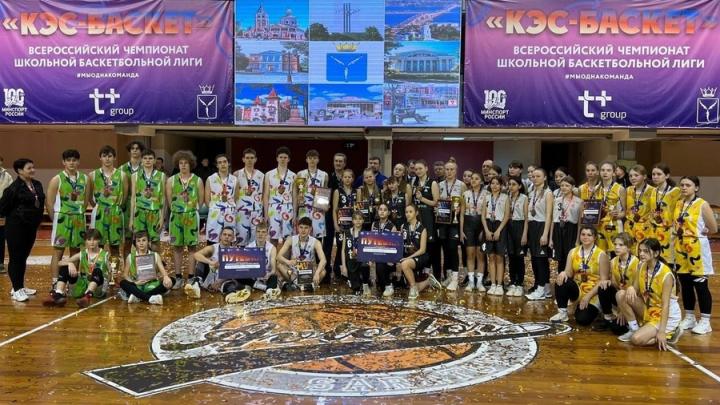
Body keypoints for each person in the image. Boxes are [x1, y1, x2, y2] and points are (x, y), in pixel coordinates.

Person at [616, 238, 682, 349]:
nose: (641, 254)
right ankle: (634, 329)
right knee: (621, 294)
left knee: (636, 340)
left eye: (645, 251)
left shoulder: (666, 275)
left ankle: (670, 334)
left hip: (665, 315)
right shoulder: (641, 265)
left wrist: (661, 331)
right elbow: (635, 288)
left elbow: (666, 305)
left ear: (656, 253)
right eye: (640, 250)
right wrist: (631, 288)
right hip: (649, 309)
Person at [675, 176, 717, 335]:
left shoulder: (702, 204)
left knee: (700, 285)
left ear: (696, 188)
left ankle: (705, 321)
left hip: (697, 248)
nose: (684, 187)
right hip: (680, 247)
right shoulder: (679, 203)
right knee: (685, 284)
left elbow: (713, 228)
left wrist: (702, 230)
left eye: (688, 185)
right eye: (682, 185)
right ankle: (690, 316)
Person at [0, 158, 45, 301]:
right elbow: (3, 208)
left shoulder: (37, 184)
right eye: (29, 168)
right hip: (16, 228)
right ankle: (16, 289)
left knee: (23, 257)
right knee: (16, 258)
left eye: (33, 167)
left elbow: (40, 203)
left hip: (31, 228)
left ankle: (19, 286)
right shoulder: (13, 189)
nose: (33, 170)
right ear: (19, 171)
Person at [550, 226, 611, 325]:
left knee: (582, 320)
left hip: (593, 291)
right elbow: (569, 272)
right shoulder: (573, 252)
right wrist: (564, 272)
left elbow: (603, 281)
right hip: (578, 288)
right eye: (583, 234)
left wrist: (588, 296)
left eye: (589, 235)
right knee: (561, 278)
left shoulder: (601, 254)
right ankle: (562, 313)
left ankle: (598, 310)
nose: (585, 237)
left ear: (594, 237)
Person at [46, 149, 89, 287]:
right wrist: (56, 219)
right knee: (58, 251)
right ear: (63, 162)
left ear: (78, 162)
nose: (71, 163)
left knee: (76, 251)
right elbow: (49, 202)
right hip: (62, 218)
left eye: (74, 160)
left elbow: (86, 200)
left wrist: (79, 212)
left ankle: (72, 282)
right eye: (68, 160)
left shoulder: (85, 179)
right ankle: (55, 281)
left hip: (78, 219)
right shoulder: (57, 179)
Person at [166, 150, 204, 289]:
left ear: (190, 164)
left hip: (192, 216)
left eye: (186, 163)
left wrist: (189, 209)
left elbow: (201, 201)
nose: (183, 165)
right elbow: (169, 201)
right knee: (177, 247)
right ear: (177, 164)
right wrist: (179, 209)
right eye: (181, 163)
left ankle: (191, 276)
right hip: (176, 216)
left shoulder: (197, 180)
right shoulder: (171, 180)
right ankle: (178, 277)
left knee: (192, 247)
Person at [43, 229, 108, 308]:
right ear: (85, 241)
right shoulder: (82, 253)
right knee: (65, 268)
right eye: (89, 240)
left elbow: (112, 271)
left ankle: (88, 296)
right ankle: (58, 294)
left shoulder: (105, 255)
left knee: (97, 270)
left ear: (99, 240)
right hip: (82, 286)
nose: (92, 242)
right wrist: (70, 263)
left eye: (94, 239)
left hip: (98, 288)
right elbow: (59, 263)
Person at [87, 145, 128, 268]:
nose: (107, 159)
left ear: (114, 158)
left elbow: (125, 196)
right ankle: (99, 273)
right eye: (104, 156)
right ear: (100, 158)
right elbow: (89, 196)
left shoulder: (122, 175)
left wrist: (116, 207)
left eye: (110, 156)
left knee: (115, 247)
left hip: (115, 212)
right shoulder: (92, 175)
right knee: (97, 245)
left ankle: (114, 274)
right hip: (99, 212)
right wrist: (97, 206)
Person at [397, 204, 442, 300]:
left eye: (410, 212)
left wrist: (408, 258)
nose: (408, 214)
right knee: (409, 282)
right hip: (408, 257)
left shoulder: (422, 228)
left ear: (416, 213)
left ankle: (413, 288)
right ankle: (428, 281)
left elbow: (422, 250)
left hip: (420, 257)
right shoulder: (403, 226)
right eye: (406, 212)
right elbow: (400, 244)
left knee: (405, 264)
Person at [119, 231, 173, 305]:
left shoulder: (155, 255)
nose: (141, 243)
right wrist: (134, 282)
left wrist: (166, 277)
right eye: (138, 241)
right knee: (123, 283)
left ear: (148, 242)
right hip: (137, 284)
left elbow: (163, 272)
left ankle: (138, 296)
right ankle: (150, 298)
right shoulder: (130, 256)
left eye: (144, 240)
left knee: (172, 280)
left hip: (152, 284)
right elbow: (125, 275)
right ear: (135, 243)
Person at [525, 168, 554, 300]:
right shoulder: (532, 192)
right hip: (532, 226)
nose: (535, 178)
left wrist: (545, 234)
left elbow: (549, 215)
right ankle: (545, 288)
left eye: (538, 176)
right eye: (533, 176)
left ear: (545, 178)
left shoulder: (548, 193)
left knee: (541, 260)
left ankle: (541, 289)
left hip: (542, 226)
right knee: (535, 259)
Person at [130, 149, 166, 251]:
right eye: (145, 158)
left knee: (155, 241)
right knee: (140, 240)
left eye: (150, 158)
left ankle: (155, 261)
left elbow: (163, 197)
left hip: (154, 212)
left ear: (154, 160)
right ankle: (141, 261)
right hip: (139, 212)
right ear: (141, 160)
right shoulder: (135, 175)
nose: (147, 160)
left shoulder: (161, 175)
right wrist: (131, 219)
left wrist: (162, 217)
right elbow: (133, 197)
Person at [277, 217, 327, 291]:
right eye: (301, 227)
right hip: (294, 272)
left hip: (309, 272)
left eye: (306, 228)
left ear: (310, 229)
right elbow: (278, 256)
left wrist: (317, 273)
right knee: (279, 264)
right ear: (297, 228)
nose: (303, 230)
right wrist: (288, 262)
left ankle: (297, 285)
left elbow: (323, 260)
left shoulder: (315, 242)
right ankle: (305, 286)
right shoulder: (291, 239)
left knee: (323, 271)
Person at [604, 233, 640, 335]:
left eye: (621, 245)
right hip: (620, 297)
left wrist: (624, 309)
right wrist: (620, 308)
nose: (616, 247)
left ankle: (635, 324)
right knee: (603, 287)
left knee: (618, 329)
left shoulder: (637, 263)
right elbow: (617, 286)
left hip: (633, 298)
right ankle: (608, 316)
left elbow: (638, 289)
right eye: (615, 244)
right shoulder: (613, 262)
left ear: (628, 247)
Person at [437, 160, 465, 291]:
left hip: (455, 221)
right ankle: (448, 276)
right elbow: (437, 202)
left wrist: (459, 209)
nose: (449, 172)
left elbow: (464, 204)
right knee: (445, 248)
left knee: (453, 248)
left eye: (451, 169)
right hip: (442, 221)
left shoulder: (461, 185)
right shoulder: (439, 185)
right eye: (447, 169)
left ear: (456, 170)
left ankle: (455, 278)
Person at [481, 176, 510, 295]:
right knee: (491, 257)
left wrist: (498, 230)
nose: (494, 186)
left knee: (499, 257)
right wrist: (487, 230)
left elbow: (506, 216)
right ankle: (493, 284)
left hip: (500, 226)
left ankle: (499, 284)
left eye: (497, 183)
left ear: (501, 186)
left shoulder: (505, 197)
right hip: (488, 225)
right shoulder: (487, 197)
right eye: (492, 183)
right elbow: (483, 216)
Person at [411, 160, 439, 277]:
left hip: (429, 218)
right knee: (419, 245)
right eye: (416, 169)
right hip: (418, 217)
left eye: (420, 168)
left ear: (426, 168)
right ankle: (421, 273)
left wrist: (422, 199)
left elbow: (436, 202)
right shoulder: (414, 183)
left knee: (431, 247)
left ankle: (435, 275)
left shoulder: (432, 183)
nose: (418, 171)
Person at [550, 176, 582, 277]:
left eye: (567, 185)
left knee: (570, 255)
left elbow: (579, 223)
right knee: (560, 257)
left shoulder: (579, 201)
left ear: (573, 187)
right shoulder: (557, 200)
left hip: (571, 229)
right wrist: (551, 238)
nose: (564, 187)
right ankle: (561, 279)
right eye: (562, 185)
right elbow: (553, 220)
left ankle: (570, 279)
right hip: (558, 228)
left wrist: (577, 240)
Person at [323, 153, 347, 283]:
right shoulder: (328, 177)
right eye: (336, 161)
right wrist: (323, 204)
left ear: (344, 163)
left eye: (340, 161)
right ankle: (326, 271)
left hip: (344, 217)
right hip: (328, 214)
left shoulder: (347, 177)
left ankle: (339, 269)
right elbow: (323, 192)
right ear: (333, 162)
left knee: (341, 243)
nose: (338, 163)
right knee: (327, 244)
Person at [264, 147, 296, 244]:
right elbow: (266, 195)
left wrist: (295, 214)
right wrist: (266, 214)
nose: (283, 159)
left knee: (288, 238)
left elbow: (295, 196)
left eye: (285, 157)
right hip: (273, 208)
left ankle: (286, 255)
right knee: (273, 237)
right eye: (281, 157)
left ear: (288, 159)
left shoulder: (294, 176)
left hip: (288, 207)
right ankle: (272, 255)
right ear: (277, 158)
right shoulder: (269, 174)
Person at [650, 163, 681, 264]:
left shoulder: (676, 191)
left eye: (659, 174)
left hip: (669, 232)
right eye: (653, 174)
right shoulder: (653, 191)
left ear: (667, 175)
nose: (655, 177)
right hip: (654, 231)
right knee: (654, 262)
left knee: (668, 263)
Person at [461, 172, 486, 292]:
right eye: (472, 178)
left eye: (476, 178)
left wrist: (485, 230)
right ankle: (471, 282)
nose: (473, 180)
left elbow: (486, 214)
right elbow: (461, 214)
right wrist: (461, 230)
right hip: (468, 225)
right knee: (470, 254)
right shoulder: (465, 194)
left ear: (481, 181)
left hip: (481, 225)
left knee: (480, 255)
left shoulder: (486, 194)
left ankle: (479, 282)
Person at [234, 148, 264, 246]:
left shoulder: (261, 175)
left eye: (251, 158)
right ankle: (241, 255)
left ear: (255, 159)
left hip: (256, 210)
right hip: (241, 210)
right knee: (241, 237)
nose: (249, 160)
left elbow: (263, 194)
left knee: (256, 238)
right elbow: (234, 194)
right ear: (243, 159)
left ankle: (255, 255)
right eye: (247, 158)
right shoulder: (236, 174)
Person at [206, 154, 239, 244]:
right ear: (217, 165)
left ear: (228, 163)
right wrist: (213, 209)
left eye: (225, 162)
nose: (223, 164)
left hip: (229, 213)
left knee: (229, 241)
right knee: (213, 241)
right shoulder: (210, 179)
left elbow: (236, 197)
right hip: (215, 213)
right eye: (220, 162)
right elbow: (207, 199)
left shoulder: (234, 179)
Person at [296, 149, 329, 239]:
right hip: (304, 208)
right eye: (310, 158)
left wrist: (324, 205)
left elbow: (325, 193)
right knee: (303, 235)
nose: (312, 160)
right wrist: (299, 201)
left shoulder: (324, 175)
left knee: (318, 237)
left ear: (318, 160)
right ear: (306, 160)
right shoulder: (300, 174)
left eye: (314, 158)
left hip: (318, 209)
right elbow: (298, 192)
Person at [595, 161, 626, 253]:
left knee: (615, 254)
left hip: (614, 225)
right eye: (603, 170)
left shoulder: (620, 189)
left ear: (613, 173)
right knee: (601, 253)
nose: (605, 172)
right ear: (599, 172)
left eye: (608, 170)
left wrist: (618, 215)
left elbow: (625, 211)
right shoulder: (596, 189)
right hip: (599, 226)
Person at [332, 168, 357, 280]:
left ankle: (350, 271)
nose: (347, 179)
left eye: (349, 177)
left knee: (350, 247)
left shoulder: (356, 192)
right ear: (342, 178)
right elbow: (334, 209)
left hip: (352, 225)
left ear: (353, 179)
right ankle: (337, 271)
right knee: (340, 247)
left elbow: (358, 209)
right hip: (341, 225)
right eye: (345, 177)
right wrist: (335, 224)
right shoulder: (337, 191)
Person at [121, 141, 145, 254]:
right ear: (129, 151)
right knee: (127, 238)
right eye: (132, 148)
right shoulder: (122, 169)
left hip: (143, 204)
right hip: (127, 204)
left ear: (141, 151)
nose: (135, 150)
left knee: (142, 238)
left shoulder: (146, 167)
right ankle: (127, 263)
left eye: (137, 148)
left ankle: (144, 262)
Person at [506, 176, 529, 296]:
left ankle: (519, 283)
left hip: (520, 226)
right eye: (509, 184)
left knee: (519, 257)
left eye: (514, 184)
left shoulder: (524, 198)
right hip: (509, 226)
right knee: (511, 256)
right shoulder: (507, 197)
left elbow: (526, 218)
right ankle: (512, 282)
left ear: (519, 186)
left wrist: (525, 234)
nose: (511, 186)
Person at [626, 165, 656, 253]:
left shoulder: (653, 191)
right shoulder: (628, 190)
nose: (633, 178)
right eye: (630, 176)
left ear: (645, 176)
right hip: (629, 227)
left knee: (644, 253)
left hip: (645, 228)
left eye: (636, 175)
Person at [371, 203, 398, 297]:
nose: (382, 212)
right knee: (378, 265)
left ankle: (388, 285)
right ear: (378, 211)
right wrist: (371, 257)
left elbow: (395, 246)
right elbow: (371, 242)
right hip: (377, 255)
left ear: (389, 213)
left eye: (385, 210)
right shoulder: (374, 224)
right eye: (380, 209)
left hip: (388, 257)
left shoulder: (392, 227)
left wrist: (391, 259)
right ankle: (386, 284)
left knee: (380, 265)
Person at [341, 211, 371, 296]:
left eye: (360, 219)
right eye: (355, 219)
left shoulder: (366, 233)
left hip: (362, 259)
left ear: (363, 220)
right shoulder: (347, 232)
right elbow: (343, 250)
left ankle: (365, 284)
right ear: (352, 220)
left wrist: (370, 260)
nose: (358, 221)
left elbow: (369, 249)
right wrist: (344, 266)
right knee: (356, 288)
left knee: (365, 265)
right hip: (351, 261)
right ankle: (357, 282)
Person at [0, 156, 14, 274]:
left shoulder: (7, 176)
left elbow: (11, 194)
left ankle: (0, 263)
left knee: (0, 238)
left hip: (2, 211)